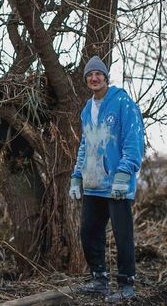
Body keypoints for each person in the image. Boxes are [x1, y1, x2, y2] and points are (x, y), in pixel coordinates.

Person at [69, 56, 144, 302]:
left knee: (123, 235)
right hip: (93, 183)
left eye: (98, 74)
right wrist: (77, 175)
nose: (94, 78)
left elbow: (134, 138)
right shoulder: (86, 110)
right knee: (89, 232)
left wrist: (125, 170)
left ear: (105, 77)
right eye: (90, 75)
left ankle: (126, 285)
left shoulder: (122, 102)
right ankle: (99, 279)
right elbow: (84, 145)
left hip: (116, 184)